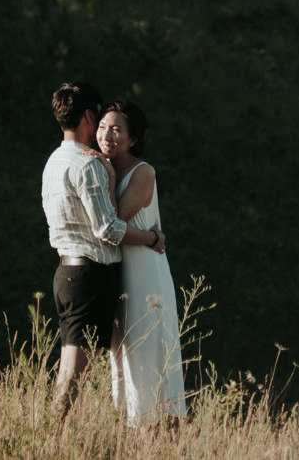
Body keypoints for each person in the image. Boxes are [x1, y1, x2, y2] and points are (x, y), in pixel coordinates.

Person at [42, 82, 166, 418]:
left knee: (76, 367)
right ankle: (51, 437)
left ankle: (54, 435)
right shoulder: (89, 165)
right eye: (98, 120)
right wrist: (152, 239)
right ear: (87, 116)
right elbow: (108, 228)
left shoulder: (54, 161)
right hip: (90, 274)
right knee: (75, 371)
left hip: (66, 271)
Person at [97, 100, 186, 426]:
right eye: (103, 127)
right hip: (118, 276)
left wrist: (106, 173)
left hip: (146, 277)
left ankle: (162, 434)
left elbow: (114, 222)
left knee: (149, 355)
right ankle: (129, 433)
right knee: (122, 359)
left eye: (117, 129)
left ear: (133, 139)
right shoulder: (99, 166)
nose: (108, 134)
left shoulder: (143, 172)